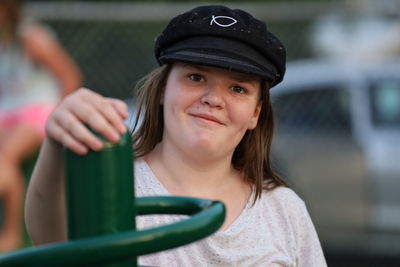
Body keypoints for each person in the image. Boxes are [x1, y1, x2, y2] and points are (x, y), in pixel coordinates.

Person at [25, 5, 326, 266]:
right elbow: (52, 240)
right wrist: (55, 145)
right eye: (196, 77)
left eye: (238, 88)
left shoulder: (283, 209)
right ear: (163, 90)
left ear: (256, 114)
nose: (213, 98)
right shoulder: (114, 187)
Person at [0, 0, 82, 252]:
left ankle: (11, 233)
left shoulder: (31, 37)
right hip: (7, 112)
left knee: (5, 156)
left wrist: (61, 116)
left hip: (38, 111)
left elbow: (70, 76)